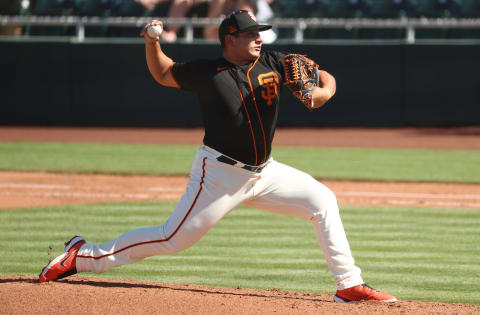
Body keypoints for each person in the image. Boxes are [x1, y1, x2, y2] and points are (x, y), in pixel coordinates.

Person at [38, 10, 397, 304]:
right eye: (251, 33)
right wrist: (153, 42)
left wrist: (326, 90)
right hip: (220, 175)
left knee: (323, 200)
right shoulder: (208, 73)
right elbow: (163, 72)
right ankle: (82, 256)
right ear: (230, 38)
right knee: (172, 239)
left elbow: (323, 76)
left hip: (266, 172)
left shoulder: (273, 59)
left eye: (260, 31)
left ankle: (348, 285)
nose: (259, 37)